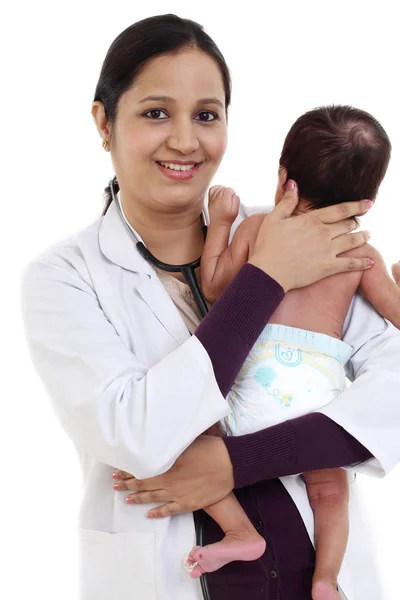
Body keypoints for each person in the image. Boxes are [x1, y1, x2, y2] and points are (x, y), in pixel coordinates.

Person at [20, 14, 400, 600]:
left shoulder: (294, 231)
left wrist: (241, 460)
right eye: (155, 112)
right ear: (104, 121)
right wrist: (267, 277)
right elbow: (138, 434)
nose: (185, 140)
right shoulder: (63, 279)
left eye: (206, 114)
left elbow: (393, 386)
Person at [181, 105, 399, 600]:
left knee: (192, 445)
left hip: (251, 377)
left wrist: (221, 222)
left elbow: (215, 288)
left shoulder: (259, 230)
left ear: (284, 179)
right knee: (329, 491)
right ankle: (325, 580)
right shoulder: (361, 253)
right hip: (316, 397)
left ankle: (239, 532)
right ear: (366, 202)